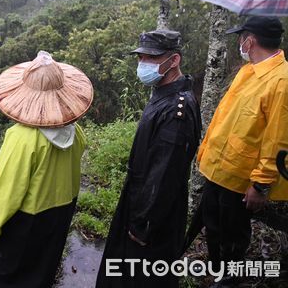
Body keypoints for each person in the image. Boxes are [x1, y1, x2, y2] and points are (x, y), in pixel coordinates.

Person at [96, 30, 202, 288]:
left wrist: (144, 223)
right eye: (141, 58)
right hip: (140, 198)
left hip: (154, 214)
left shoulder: (177, 110)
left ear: (174, 60)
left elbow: (164, 175)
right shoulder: (163, 92)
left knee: (142, 276)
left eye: (151, 58)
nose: (144, 64)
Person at [0, 50, 93, 288]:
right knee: (42, 272)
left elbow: (7, 192)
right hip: (60, 214)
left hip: (25, 223)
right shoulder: (75, 130)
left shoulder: (21, 138)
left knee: (10, 277)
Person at [196, 16, 288, 286]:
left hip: (241, 178)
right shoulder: (248, 70)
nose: (239, 42)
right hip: (218, 168)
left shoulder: (281, 82)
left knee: (232, 235)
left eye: (242, 37)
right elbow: (225, 117)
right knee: (213, 224)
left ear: (251, 40)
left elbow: (278, 140)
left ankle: (228, 280)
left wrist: (260, 185)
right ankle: (215, 271)